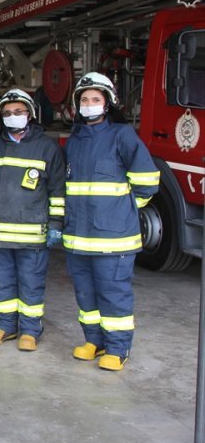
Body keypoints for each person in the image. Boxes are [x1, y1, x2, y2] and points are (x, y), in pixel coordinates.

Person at [63, 72, 158, 371]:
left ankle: (118, 348)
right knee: (86, 295)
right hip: (79, 238)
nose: (89, 104)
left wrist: (124, 210)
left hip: (113, 239)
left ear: (108, 104)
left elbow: (147, 181)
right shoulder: (74, 141)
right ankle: (94, 341)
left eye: (95, 99)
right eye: (84, 100)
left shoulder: (122, 135)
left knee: (113, 295)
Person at [0, 88, 66, 351]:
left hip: (32, 235)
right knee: (2, 283)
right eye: (8, 113)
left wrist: (56, 226)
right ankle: (5, 326)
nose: (13, 116)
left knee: (31, 283)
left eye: (19, 112)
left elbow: (58, 191)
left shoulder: (46, 148)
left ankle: (30, 331)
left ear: (30, 114)